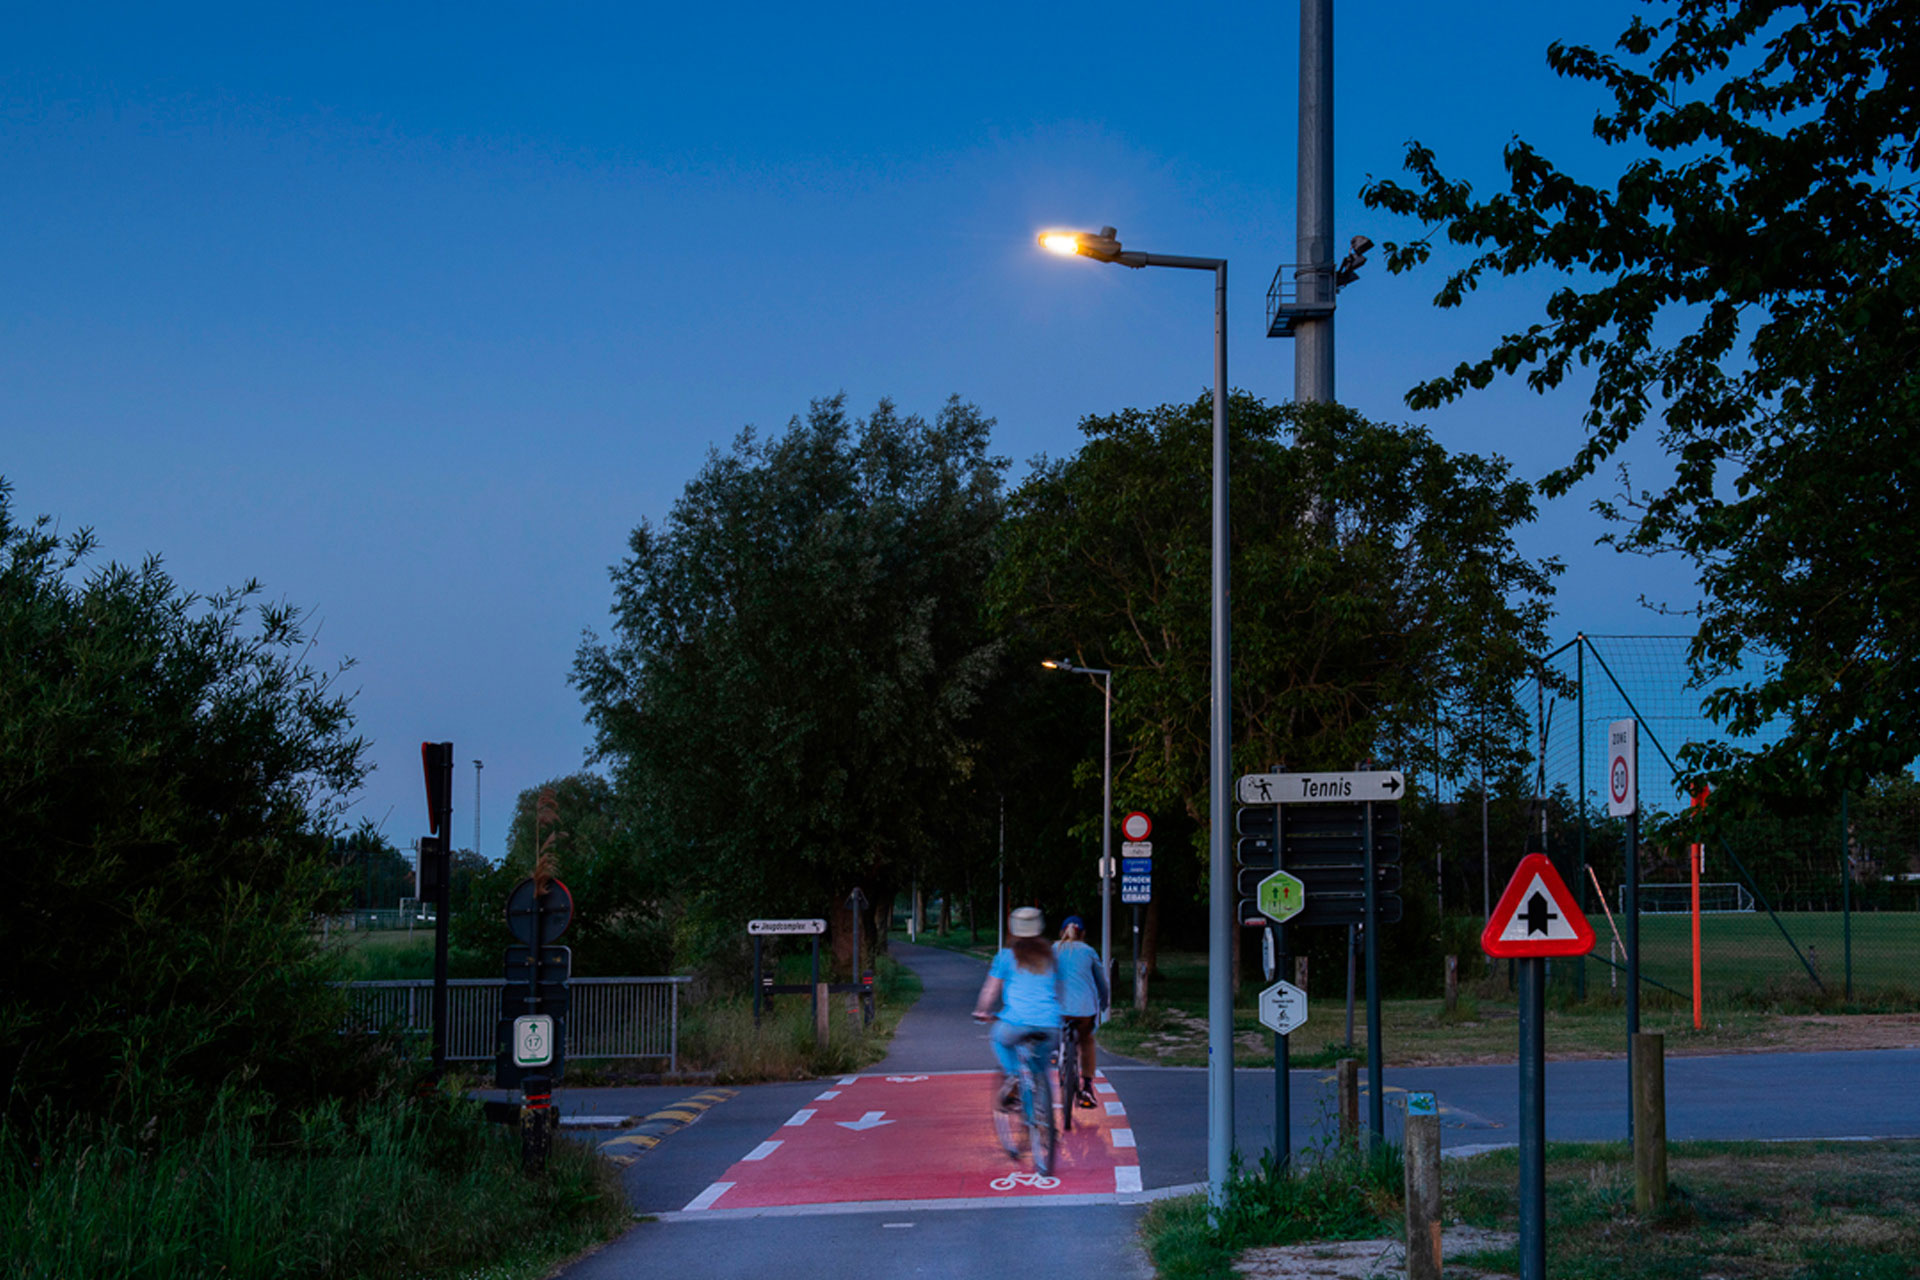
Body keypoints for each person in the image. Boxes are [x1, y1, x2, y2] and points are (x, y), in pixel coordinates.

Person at [972, 906, 1063, 1112]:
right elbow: (1061, 989)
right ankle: (1044, 1118)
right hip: (1051, 1024)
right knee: (1041, 1067)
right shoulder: (1052, 956)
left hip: (1016, 1022)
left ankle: (1014, 1076)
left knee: (998, 1038)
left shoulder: (1006, 957)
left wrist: (982, 1011)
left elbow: (990, 990)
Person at [1053, 915, 1108, 1108]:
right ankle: (1087, 1086)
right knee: (1087, 1041)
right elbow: (1101, 982)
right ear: (1082, 934)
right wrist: (1104, 1003)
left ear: (1061, 933)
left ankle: (1056, 1051)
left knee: (1051, 1027)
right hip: (1085, 1009)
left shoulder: (1054, 950)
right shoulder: (1089, 951)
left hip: (1058, 1008)